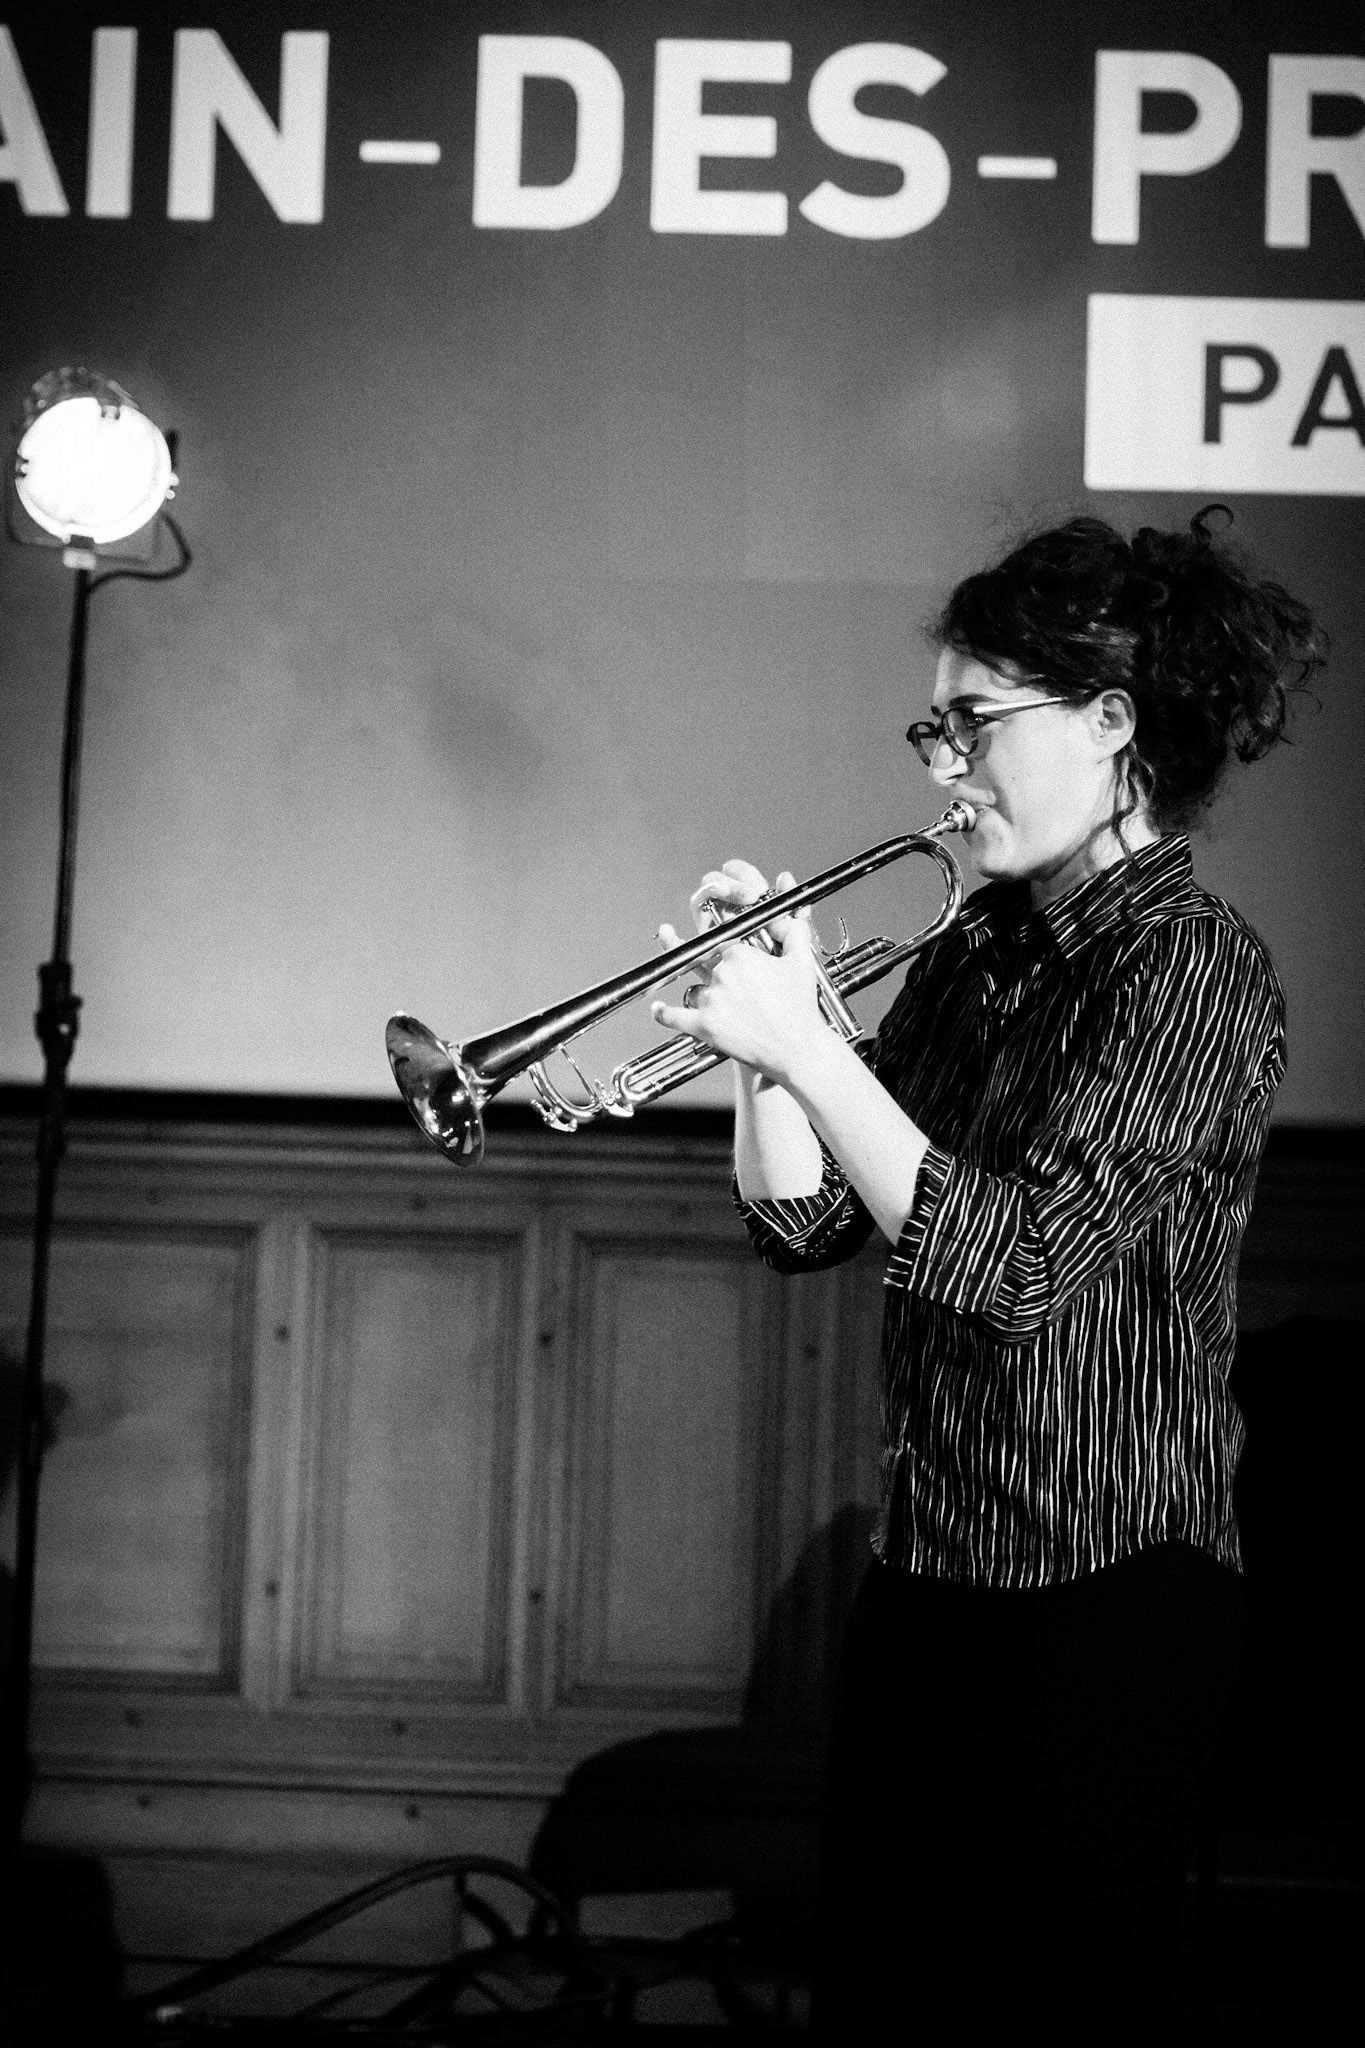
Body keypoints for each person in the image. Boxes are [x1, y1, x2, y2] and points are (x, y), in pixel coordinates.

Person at [651, 508, 1325, 2042]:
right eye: (933, 729)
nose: (943, 768)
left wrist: (813, 1047)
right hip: (934, 1567)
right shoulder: (972, 951)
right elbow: (807, 1224)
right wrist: (768, 1051)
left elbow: (1014, 1263)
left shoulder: (1190, 964)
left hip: (1109, 1590)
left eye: (974, 724)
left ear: (1109, 722)